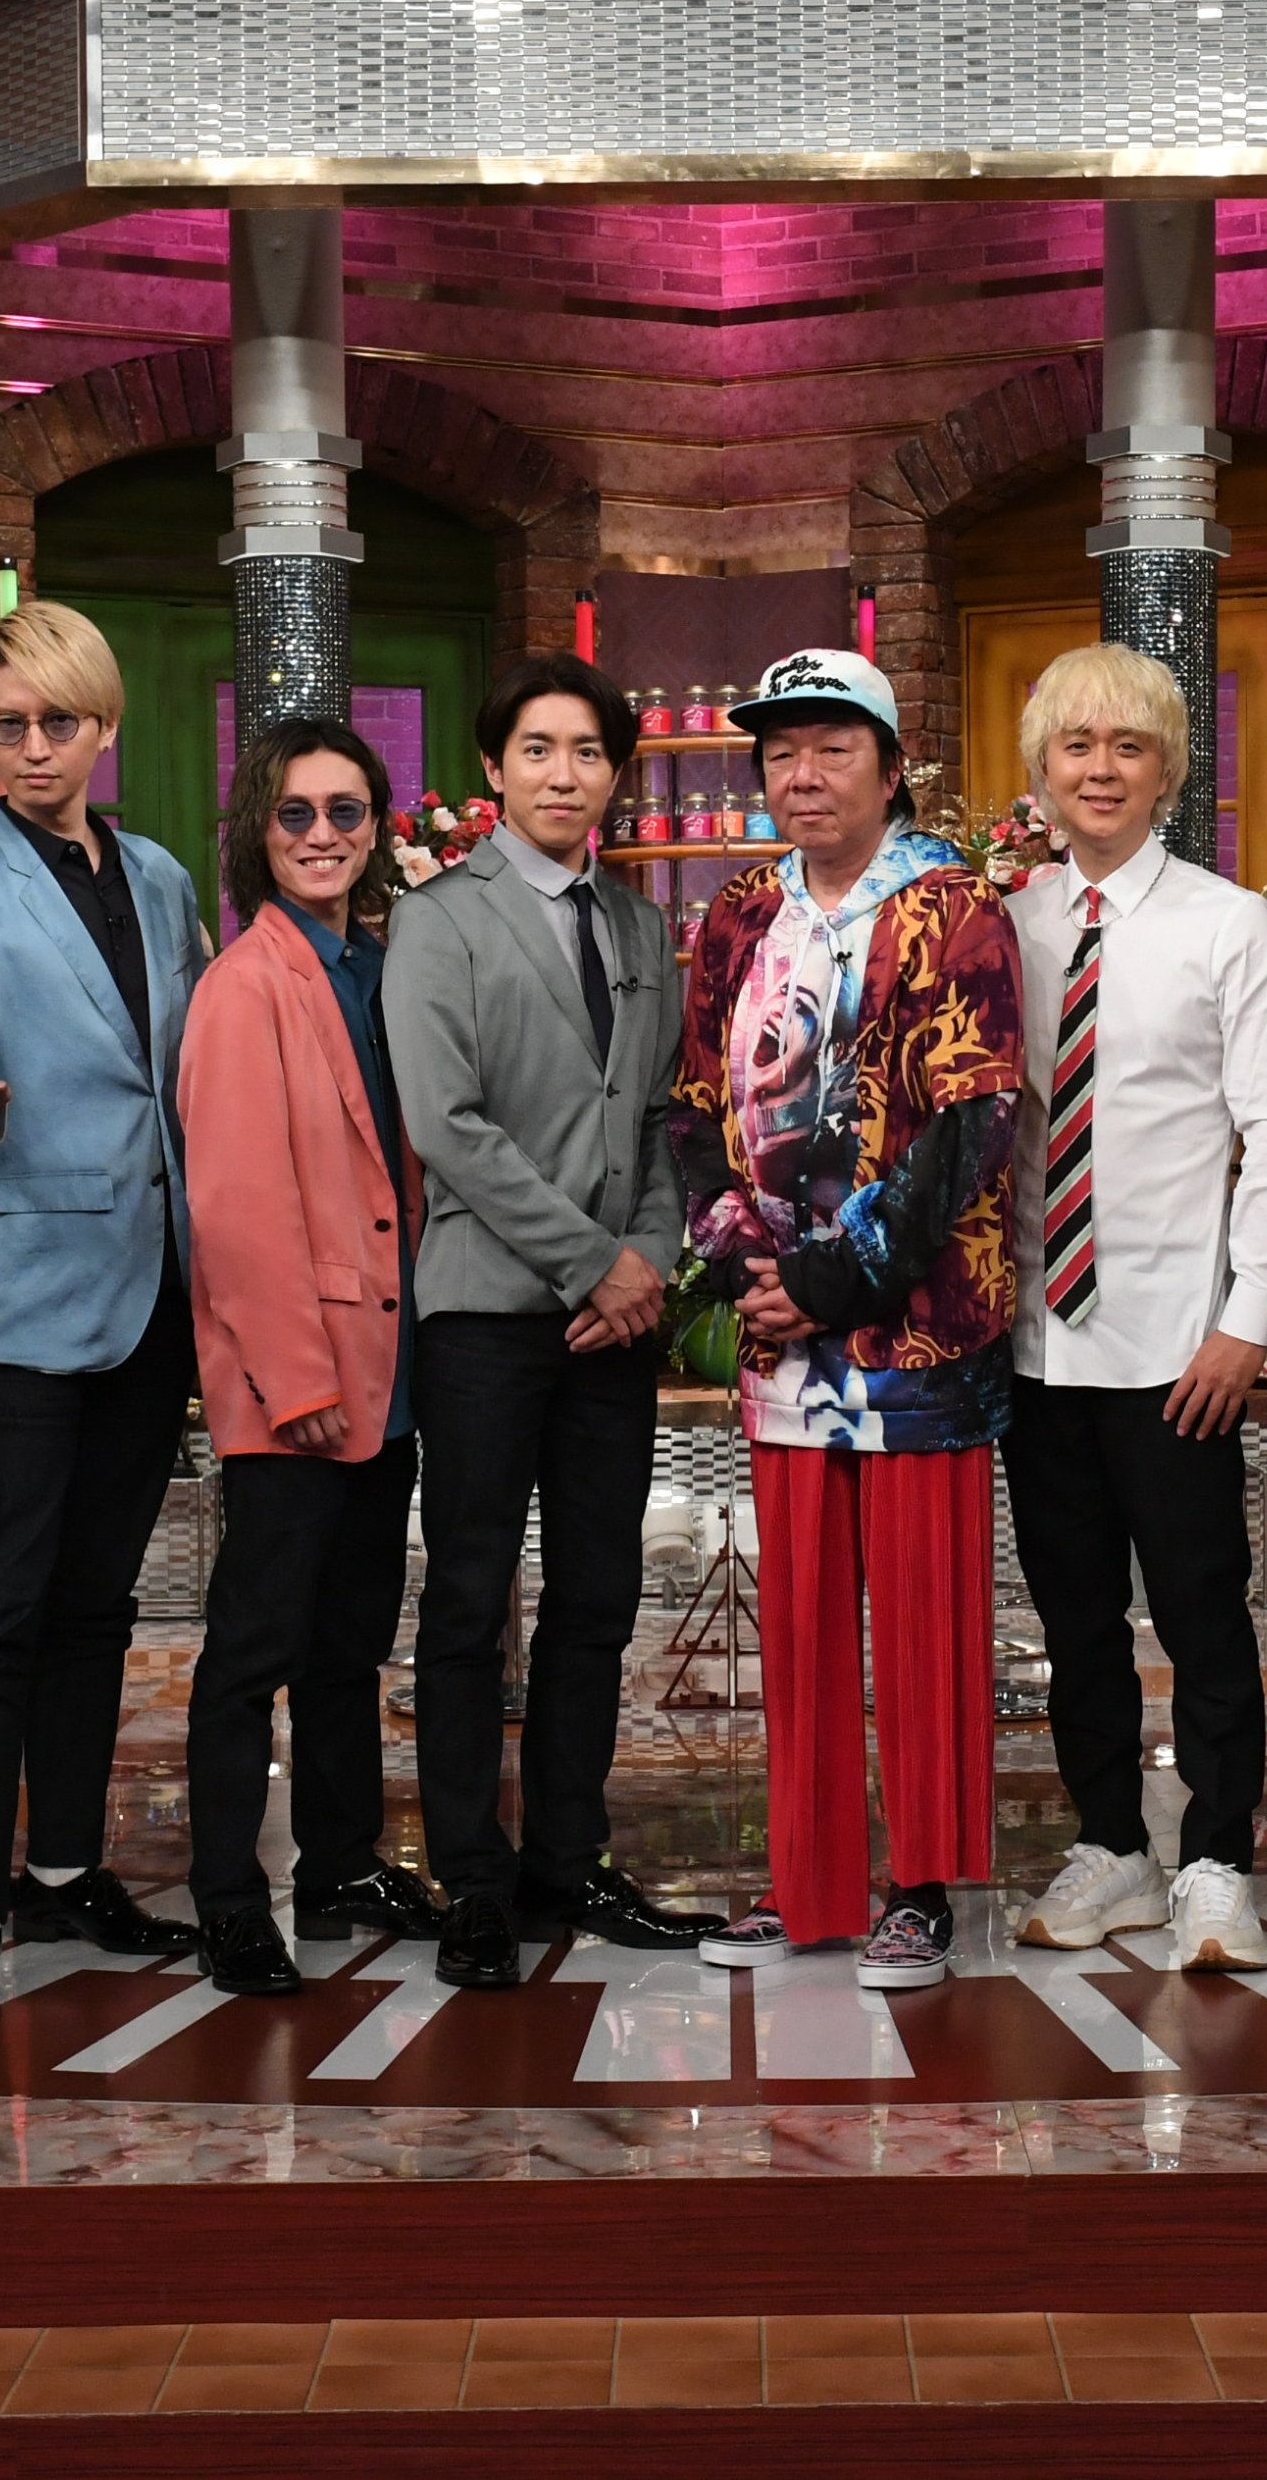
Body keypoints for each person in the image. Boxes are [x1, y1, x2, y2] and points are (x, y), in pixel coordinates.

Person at [678, 647, 1024, 1993]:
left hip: (913, 1331)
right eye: (780, 752)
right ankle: (807, 1881)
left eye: (832, 747)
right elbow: (690, 1102)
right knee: (802, 1621)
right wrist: (742, 1262)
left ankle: (922, 1886)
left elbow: (974, 1121)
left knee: (924, 1619)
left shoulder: (952, 906)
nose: (803, 773)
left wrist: (834, 1276)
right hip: (782, 1337)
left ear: (890, 768)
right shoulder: (740, 911)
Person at [0, 603, 213, 2025]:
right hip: (21, 1300)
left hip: (152, 1294)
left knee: (97, 1605)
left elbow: (182, 1068)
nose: (33, 747)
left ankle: (69, 1865)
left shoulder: (161, 877)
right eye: (8, 724)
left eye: (57, 722)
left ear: (103, 728)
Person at [384, 656, 718, 1992]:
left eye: (587, 751)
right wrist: (594, 1263)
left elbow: (660, 1121)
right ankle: (473, 1878)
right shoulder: (436, 920)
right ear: (493, 768)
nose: (562, 773)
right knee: (470, 1596)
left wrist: (649, 1260)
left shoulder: (637, 928)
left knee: (598, 1594)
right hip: (486, 1311)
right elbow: (446, 1125)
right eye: (537, 748)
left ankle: (568, 1856)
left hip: (612, 1325)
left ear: (616, 775)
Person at [999, 644, 1267, 1975]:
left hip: (1180, 1343)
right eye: (1076, 745)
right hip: (1036, 1340)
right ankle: (1112, 1843)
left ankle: (1218, 1860)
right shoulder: (1005, 927)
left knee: (1200, 1613)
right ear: (1041, 771)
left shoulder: (1230, 925)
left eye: (1128, 745)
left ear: (1169, 769)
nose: (1101, 768)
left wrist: (1247, 1323)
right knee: (1073, 1620)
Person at [173, 720, 437, 1995]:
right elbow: (234, 1208)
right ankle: (230, 1898)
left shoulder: (377, 966)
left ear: (377, 827)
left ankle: (339, 1862)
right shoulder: (244, 985)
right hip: (300, 1379)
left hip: (388, 1370)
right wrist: (297, 1379)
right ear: (256, 831)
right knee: (253, 1648)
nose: (322, 834)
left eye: (345, 811)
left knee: (350, 1642)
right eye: (295, 813)